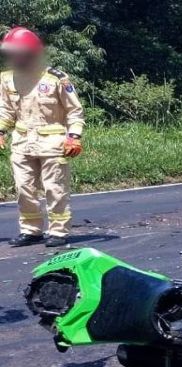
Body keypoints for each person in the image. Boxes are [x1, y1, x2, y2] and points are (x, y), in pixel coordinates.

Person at [0, 26, 85, 247]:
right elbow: (6, 111)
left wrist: (74, 136)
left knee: (54, 188)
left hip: (53, 144)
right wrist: (0, 130)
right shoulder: (7, 79)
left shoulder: (57, 78)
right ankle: (31, 230)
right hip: (21, 144)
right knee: (23, 188)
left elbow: (74, 111)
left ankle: (58, 232)